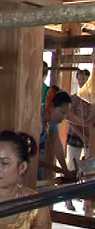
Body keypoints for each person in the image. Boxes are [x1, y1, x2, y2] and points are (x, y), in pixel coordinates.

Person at [65, 69, 93, 211]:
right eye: (80, 78)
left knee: (89, 169)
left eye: (85, 79)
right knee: (72, 168)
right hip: (75, 136)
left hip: (89, 139)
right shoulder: (73, 99)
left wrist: (89, 138)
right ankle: (67, 200)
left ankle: (86, 202)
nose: (82, 81)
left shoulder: (92, 101)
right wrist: (84, 136)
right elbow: (70, 120)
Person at [38, 85, 75, 180]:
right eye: (62, 112)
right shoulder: (36, 117)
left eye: (66, 114)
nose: (64, 117)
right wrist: (54, 168)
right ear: (52, 107)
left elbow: (56, 143)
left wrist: (65, 169)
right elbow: (29, 153)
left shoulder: (52, 121)